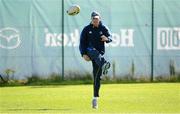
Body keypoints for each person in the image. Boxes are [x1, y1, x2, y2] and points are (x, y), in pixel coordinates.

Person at [79, 11, 112, 109]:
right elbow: (82, 43)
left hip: (99, 56)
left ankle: (95, 98)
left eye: (97, 19)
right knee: (93, 51)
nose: (95, 20)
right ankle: (104, 64)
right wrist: (83, 54)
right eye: (94, 19)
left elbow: (110, 37)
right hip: (89, 51)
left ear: (99, 19)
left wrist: (107, 39)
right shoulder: (86, 29)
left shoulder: (103, 28)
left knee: (97, 77)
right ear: (91, 19)